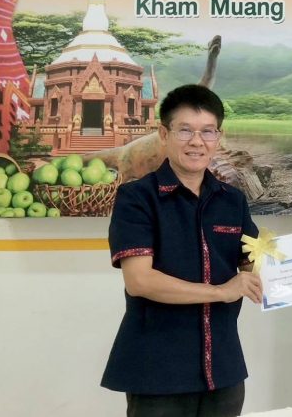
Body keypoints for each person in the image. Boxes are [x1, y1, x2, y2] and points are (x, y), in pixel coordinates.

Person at [101, 84, 263, 417]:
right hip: (158, 374)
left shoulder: (232, 201)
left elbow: (253, 264)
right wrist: (221, 291)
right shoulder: (137, 198)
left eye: (207, 131)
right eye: (185, 130)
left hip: (224, 372)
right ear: (164, 134)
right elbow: (139, 281)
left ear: (218, 137)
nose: (197, 142)